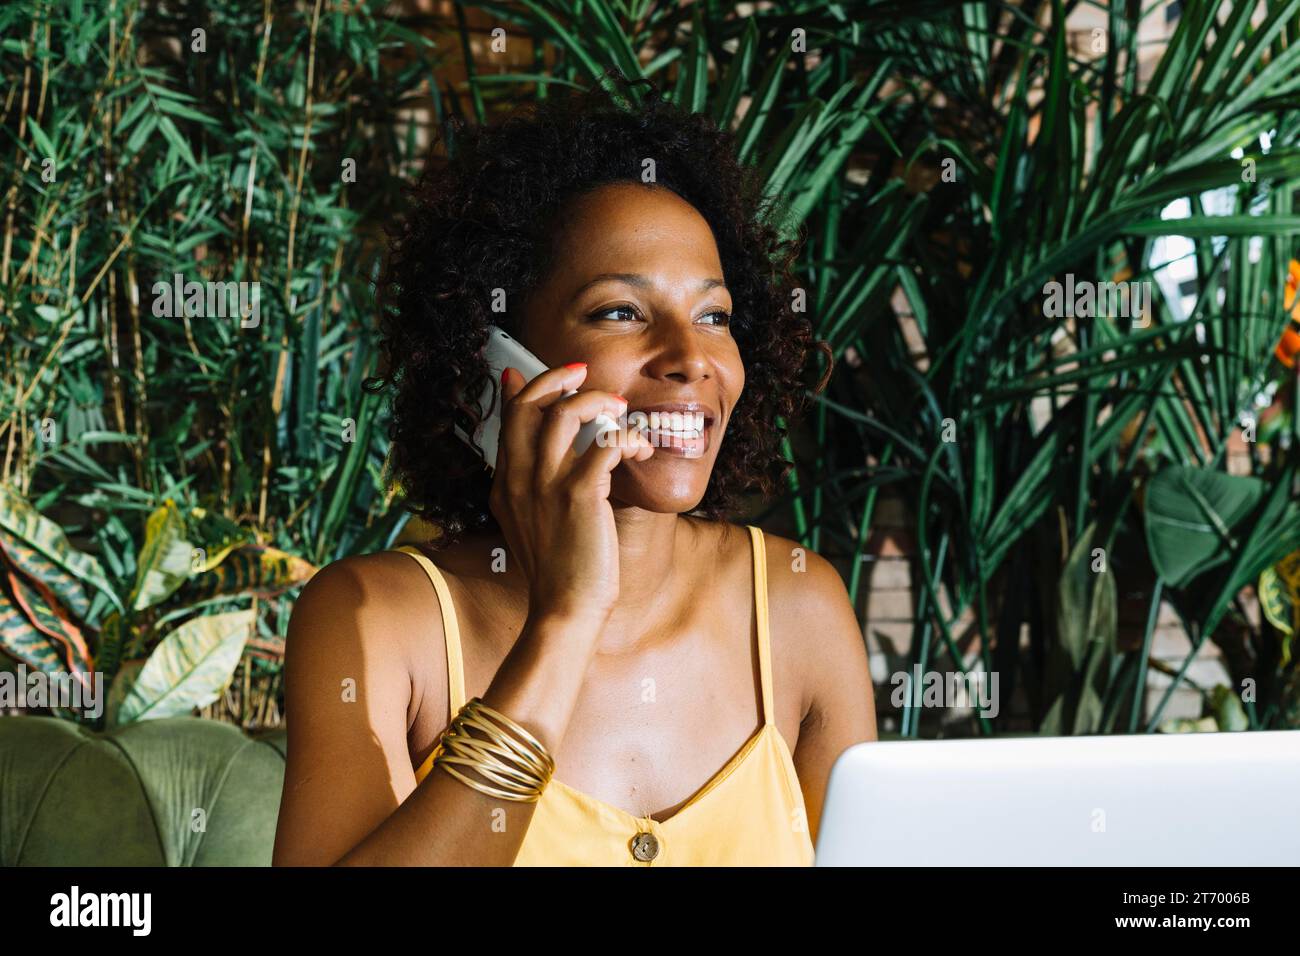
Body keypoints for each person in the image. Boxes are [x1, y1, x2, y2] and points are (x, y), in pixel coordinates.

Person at [272, 72, 876, 867]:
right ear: (493, 364)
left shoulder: (799, 606)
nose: (691, 359)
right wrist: (567, 619)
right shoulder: (373, 622)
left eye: (714, 316)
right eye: (620, 312)